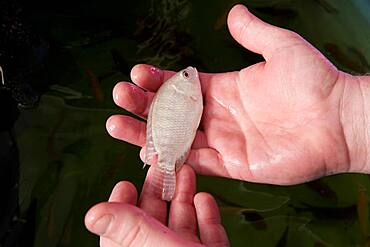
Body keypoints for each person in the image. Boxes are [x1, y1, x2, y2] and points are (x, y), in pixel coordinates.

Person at [85, 4, 370, 247]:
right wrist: (347, 115)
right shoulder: (182, 92)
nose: (190, 74)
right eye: (186, 75)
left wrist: (348, 115)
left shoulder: (183, 92)